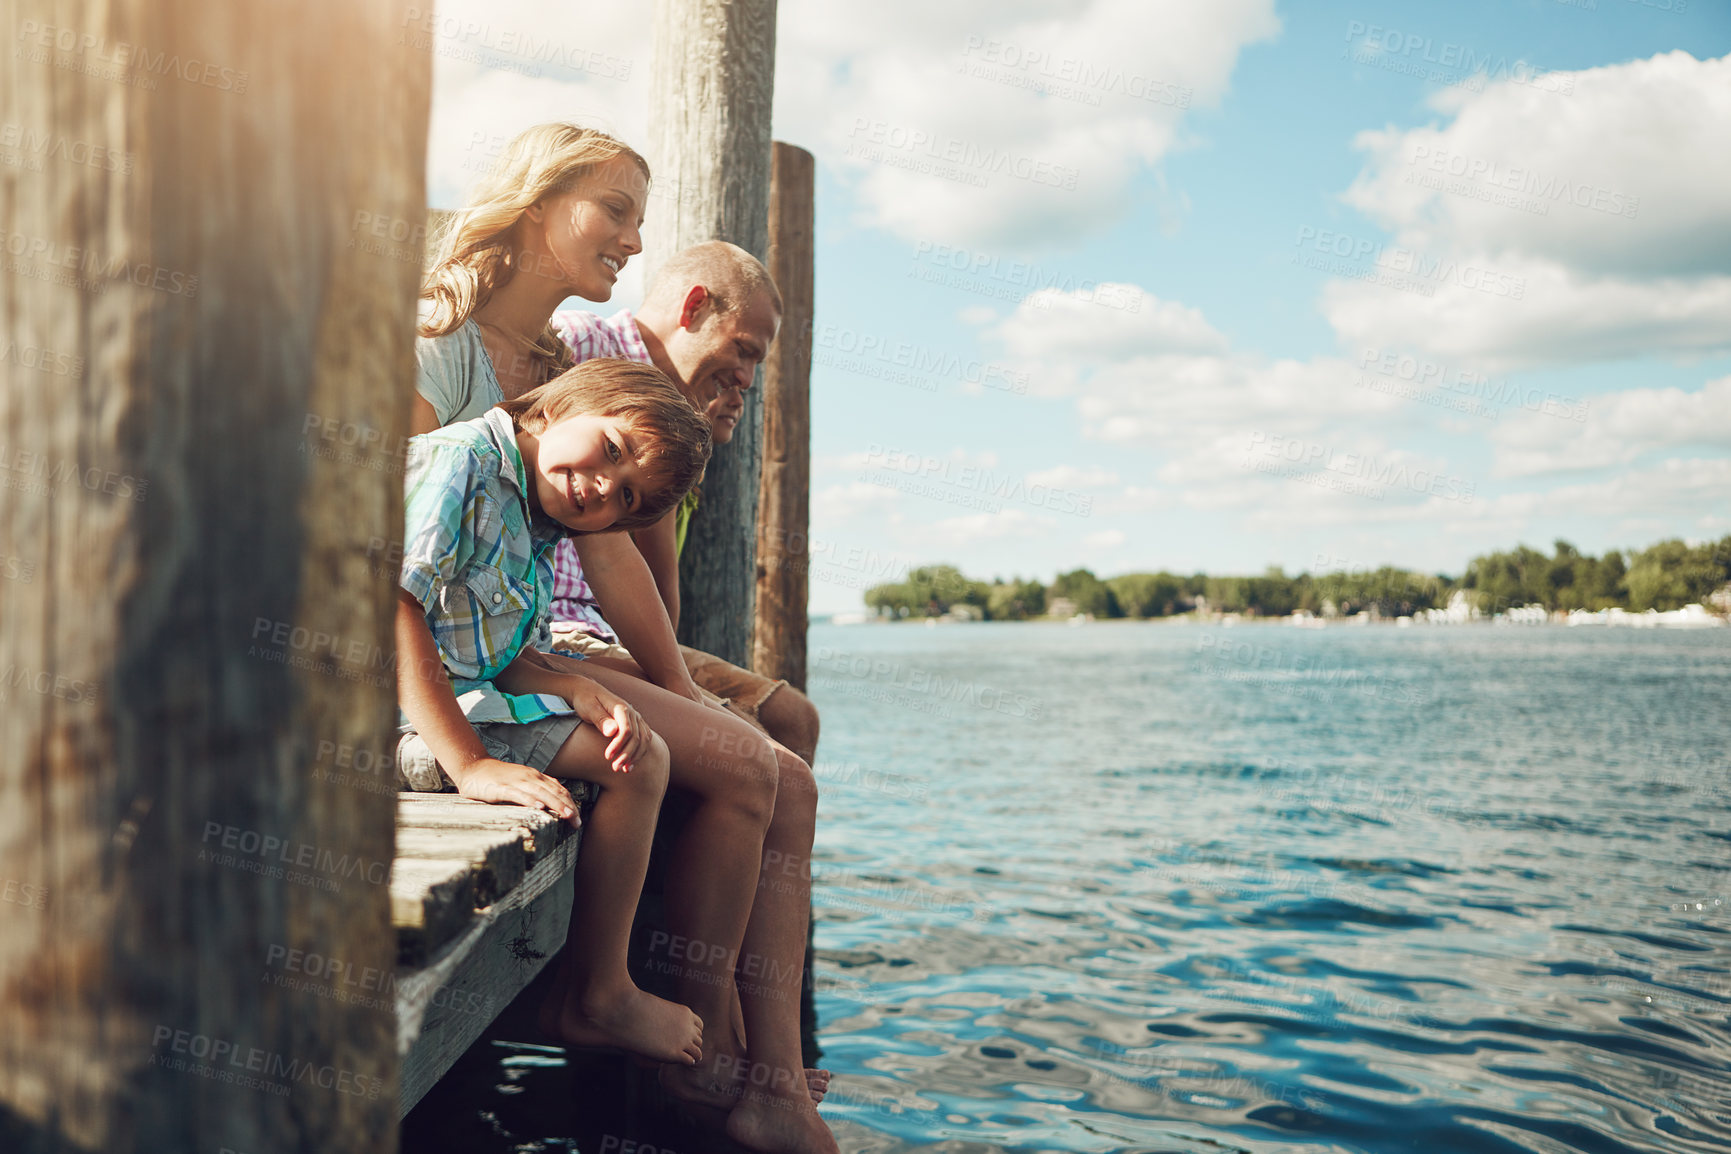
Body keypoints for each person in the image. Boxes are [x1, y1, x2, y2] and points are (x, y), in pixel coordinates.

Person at [413, 122, 837, 1153]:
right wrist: (473, 751)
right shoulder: (436, 344)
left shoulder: (560, 365)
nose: (635, 243)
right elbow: (397, 562)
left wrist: (671, 680)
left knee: (779, 742)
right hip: (466, 654)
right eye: (616, 211)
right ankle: (711, 1076)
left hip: (517, 635)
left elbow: (606, 555)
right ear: (538, 197)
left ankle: (752, 1056)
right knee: (747, 767)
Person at [396, 361, 709, 1068]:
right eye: (612, 449)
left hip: (444, 700)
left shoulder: (534, 516)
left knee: (633, 738)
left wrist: (580, 691)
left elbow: (495, 653)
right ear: (567, 403)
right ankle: (600, 991)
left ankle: (601, 987)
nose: (600, 486)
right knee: (642, 764)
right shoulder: (462, 462)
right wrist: (471, 766)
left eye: (622, 497)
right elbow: (393, 605)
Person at [547, 241, 822, 770]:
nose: (745, 378)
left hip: (614, 632)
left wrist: (669, 670)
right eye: (743, 349)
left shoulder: (673, 416)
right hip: (559, 628)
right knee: (762, 761)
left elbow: (657, 582)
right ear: (693, 307)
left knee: (793, 719)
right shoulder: (581, 344)